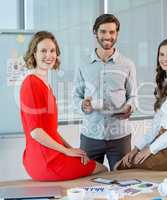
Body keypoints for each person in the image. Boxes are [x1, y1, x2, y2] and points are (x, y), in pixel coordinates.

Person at [20, 31, 107, 181]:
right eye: (43, 51)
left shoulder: (44, 83)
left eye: (52, 51)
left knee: (97, 167)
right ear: (34, 53)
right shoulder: (31, 83)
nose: (49, 55)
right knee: (103, 169)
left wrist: (70, 149)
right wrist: (66, 152)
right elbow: (36, 132)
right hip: (46, 160)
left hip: (49, 155)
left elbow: (50, 130)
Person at [114, 38, 167, 171]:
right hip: (161, 142)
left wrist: (150, 149)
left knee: (122, 166)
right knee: (125, 161)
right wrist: (136, 149)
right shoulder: (166, 82)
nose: (164, 58)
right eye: (161, 54)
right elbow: (157, 123)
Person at [72, 14, 138, 170]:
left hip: (120, 137)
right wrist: (83, 105)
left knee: (122, 179)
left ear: (117, 34)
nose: (107, 36)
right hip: (91, 136)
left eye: (112, 32)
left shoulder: (127, 64)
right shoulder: (83, 64)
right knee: (88, 180)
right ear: (95, 32)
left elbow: (133, 96)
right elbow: (76, 96)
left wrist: (130, 107)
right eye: (103, 31)